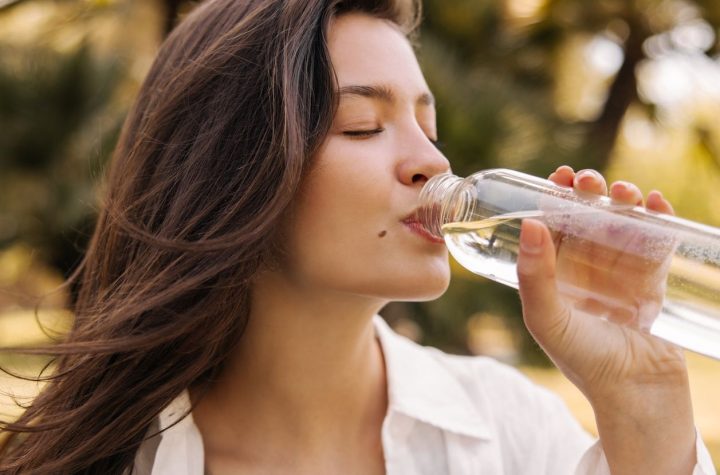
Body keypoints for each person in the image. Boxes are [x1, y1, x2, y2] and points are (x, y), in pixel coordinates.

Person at [0, 0, 715, 473]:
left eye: (428, 129)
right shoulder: (116, 459)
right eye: (363, 127)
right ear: (232, 170)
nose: (433, 162)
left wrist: (643, 406)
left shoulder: (510, 433)